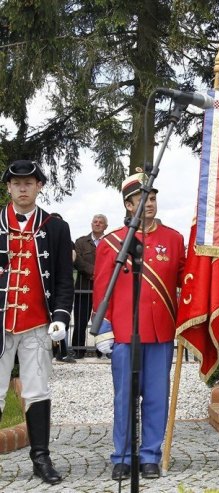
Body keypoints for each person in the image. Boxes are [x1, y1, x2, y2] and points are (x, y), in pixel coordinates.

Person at [92, 172, 185, 481]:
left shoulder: (174, 239)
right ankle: (122, 455)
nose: (150, 203)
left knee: (157, 397)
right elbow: (102, 287)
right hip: (124, 332)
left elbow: (186, 281)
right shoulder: (112, 241)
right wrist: (103, 328)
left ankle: (149, 456)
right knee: (125, 397)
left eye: (153, 197)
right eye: (143, 198)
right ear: (129, 205)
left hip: (160, 332)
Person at [0, 160, 74, 485]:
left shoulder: (55, 227)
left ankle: (41, 457)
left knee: (37, 390)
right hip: (1, 324)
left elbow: (63, 280)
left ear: (39, 186)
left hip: (37, 324)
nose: (23, 188)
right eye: (17, 183)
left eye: (29, 182)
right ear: (8, 188)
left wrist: (60, 316)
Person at [73, 214, 108, 358]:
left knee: (102, 320)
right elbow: (78, 261)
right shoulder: (81, 242)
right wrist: (94, 273)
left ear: (106, 226)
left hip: (104, 289)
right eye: (95, 222)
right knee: (80, 320)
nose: (97, 224)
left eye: (101, 222)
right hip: (83, 286)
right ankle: (78, 350)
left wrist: (101, 275)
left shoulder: (110, 241)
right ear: (91, 224)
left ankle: (101, 350)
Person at [49, 212, 77, 364]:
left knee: (61, 321)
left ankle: (63, 352)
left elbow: (71, 258)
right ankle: (56, 351)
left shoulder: (67, 241)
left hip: (59, 286)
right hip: (47, 288)